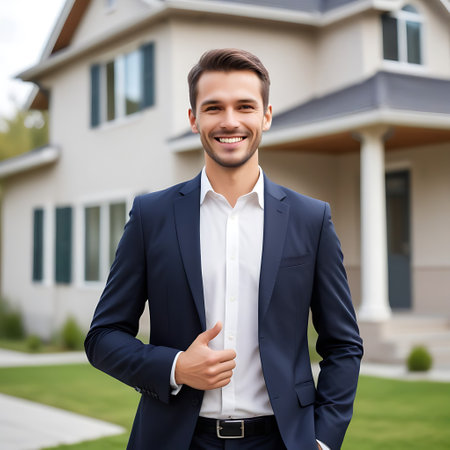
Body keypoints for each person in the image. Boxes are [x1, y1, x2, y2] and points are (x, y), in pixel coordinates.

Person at [85, 48, 363, 450]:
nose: (230, 121)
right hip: (175, 440)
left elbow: (343, 344)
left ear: (266, 116)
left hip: (282, 441)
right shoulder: (152, 216)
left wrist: (323, 439)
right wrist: (177, 367)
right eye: (213, 107)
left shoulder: (311, 219)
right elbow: (103, 336)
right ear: (193, 118)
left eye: (245, 106)